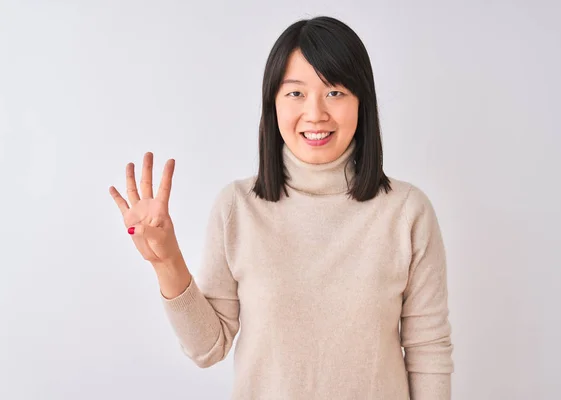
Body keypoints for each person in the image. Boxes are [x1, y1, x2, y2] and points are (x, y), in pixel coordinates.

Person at [109, 15, 454, 400]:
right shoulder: (236, 208)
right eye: (295, 93)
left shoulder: (407, 213)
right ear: (272, 103)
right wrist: (166, 260)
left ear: (362, 102)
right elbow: (208, 348)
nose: (316, 113)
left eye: (335, 92)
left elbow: (428, 352)